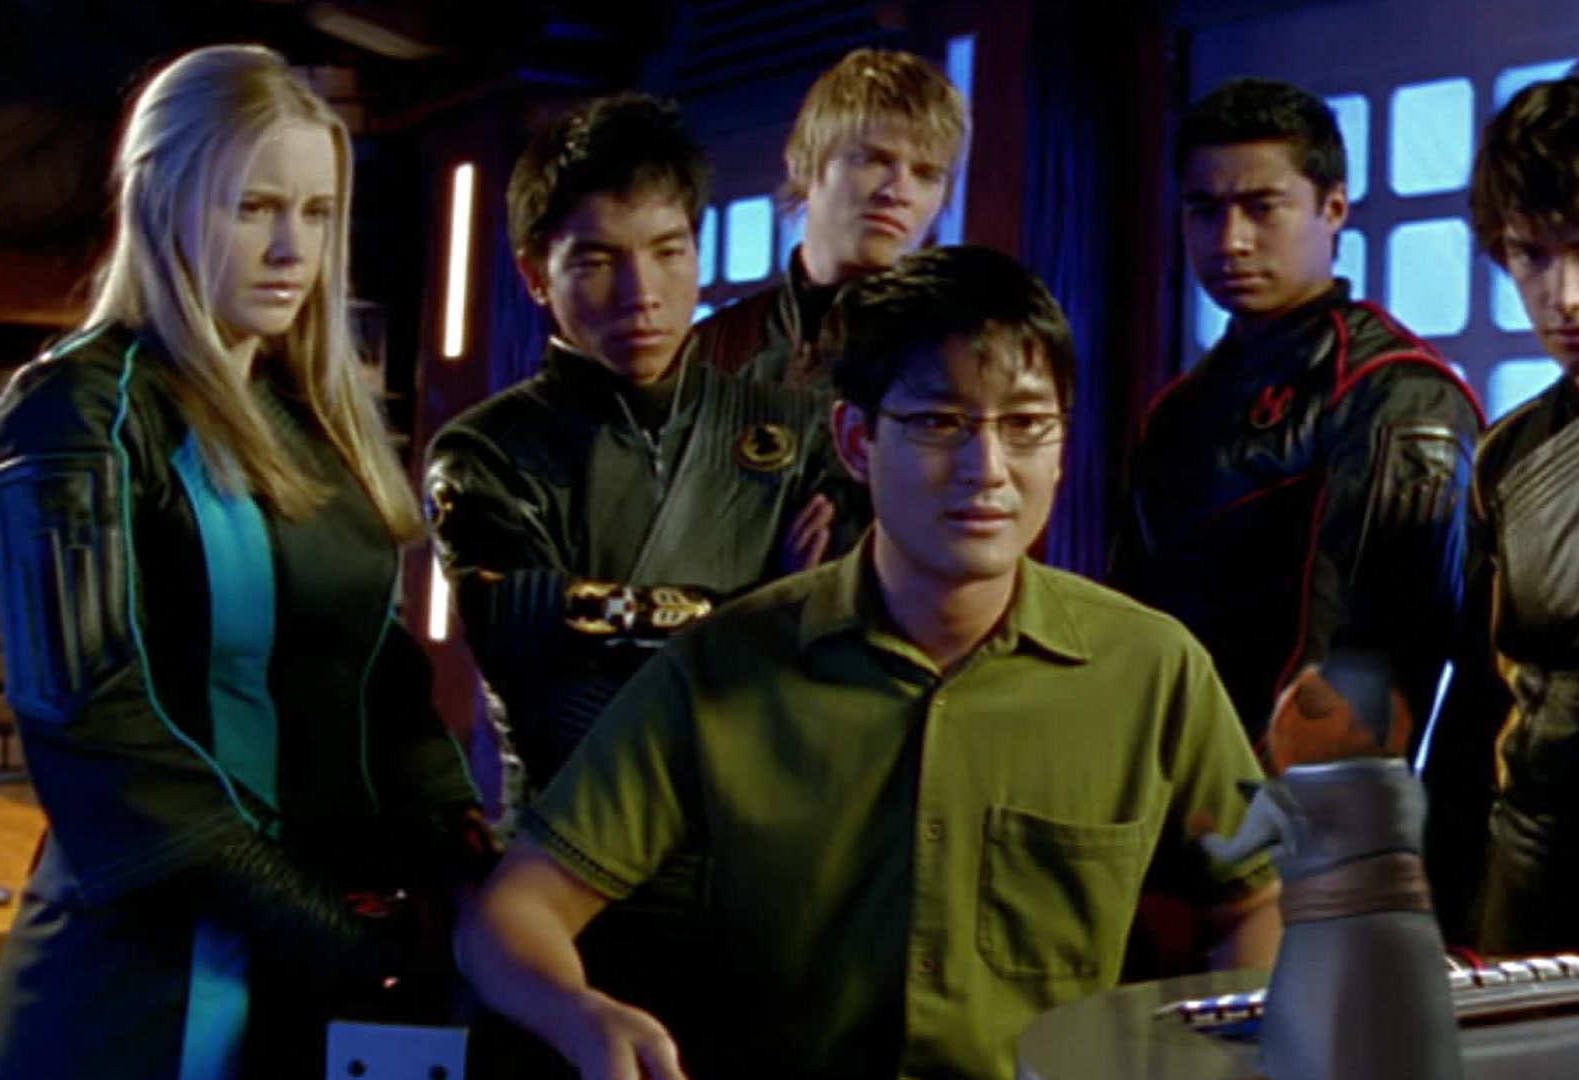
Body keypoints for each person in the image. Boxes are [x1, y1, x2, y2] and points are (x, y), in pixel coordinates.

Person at [458, 245, 1282, 1080]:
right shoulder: (724, 665)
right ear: (856, 441)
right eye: (939, 423)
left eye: (1026, 425)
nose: (987, 471)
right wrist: (583, 1017)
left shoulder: (1150, 670)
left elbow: (1259, 902)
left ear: (1062, 446)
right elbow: (512, 913)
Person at [0, 45, 489, 1080]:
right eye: (253, 208)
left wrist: (463, 845)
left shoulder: (313, 414)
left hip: (320, 983)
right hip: (144, 991)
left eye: (317, 212)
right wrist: (321, 928)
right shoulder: (73, 408)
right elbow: (94, 732)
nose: (292, 249)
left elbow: (372, 668)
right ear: (161, 200)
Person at [423, 93, 862, 1055]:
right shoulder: (483, 453)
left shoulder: (795, 436)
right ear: (535, 274)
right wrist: (759, 610)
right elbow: (526, 643)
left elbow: (848, 649)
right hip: (565, 903)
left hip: (772, 896)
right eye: (597, 260)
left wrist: (614, 621)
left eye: (669, 251)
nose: (643, 292)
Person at [1110, 76, 1482, 749]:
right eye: (1204, 210)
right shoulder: (1177, 411)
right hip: (1162, 778)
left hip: (1302, 799)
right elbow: (1129, 626)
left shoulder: (1392, 391)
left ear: (1333, 208)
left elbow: (1369, 666)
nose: (1231, 240)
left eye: (1262, 208)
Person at [1421, 57, 1579, 955]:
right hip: (1519, 874)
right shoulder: (1507, 453)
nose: (1564, 297)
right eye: (1531, 255)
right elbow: (1478, 699)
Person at [692, 47, 967, 389]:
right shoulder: (709, 353)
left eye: (926, 174)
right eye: (872, 160)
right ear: (803, 163)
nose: (898, 192)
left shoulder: (954, 359)